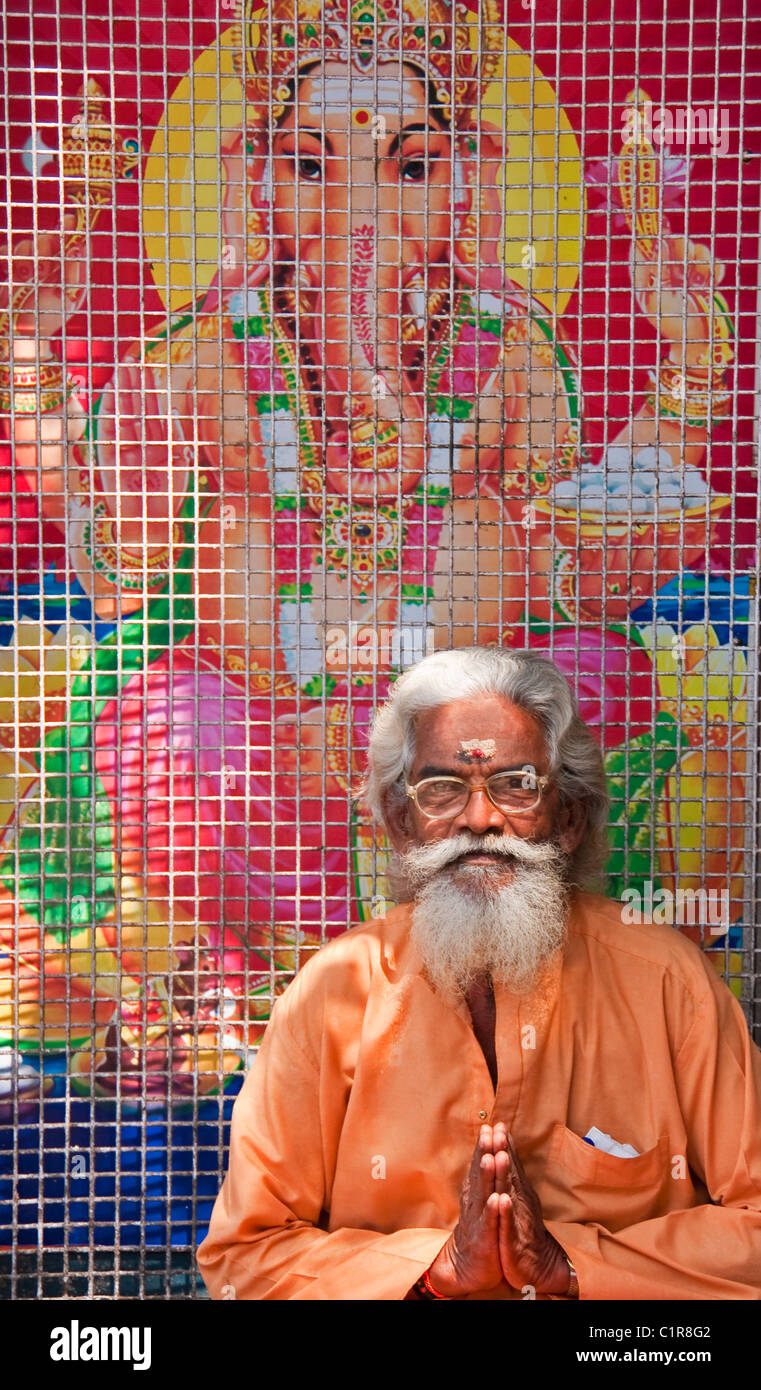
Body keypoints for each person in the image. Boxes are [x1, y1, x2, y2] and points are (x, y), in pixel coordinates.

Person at [0, 0, 740, 1104]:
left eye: (407, 167)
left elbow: (581, 561)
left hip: (467, 747)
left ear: (463, 186)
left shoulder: (505, 349)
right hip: (261, 745)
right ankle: (250, 1009)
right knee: (163, 728)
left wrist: (687, 367)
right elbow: (121, 569)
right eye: (310, 163)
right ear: (256, 181)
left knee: (600, 689)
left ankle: (531, 1017)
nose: (359, 208)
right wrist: (30, 349)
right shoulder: (208, 353)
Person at [197, 646, 761, 1300]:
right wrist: (431, 1273)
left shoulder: (666, 980)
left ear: (568, 820)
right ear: (403, 826)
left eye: (516, 784)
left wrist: (570, 1266)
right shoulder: (332, 993)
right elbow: (245, 1256)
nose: (479, 819)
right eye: (441, 789)